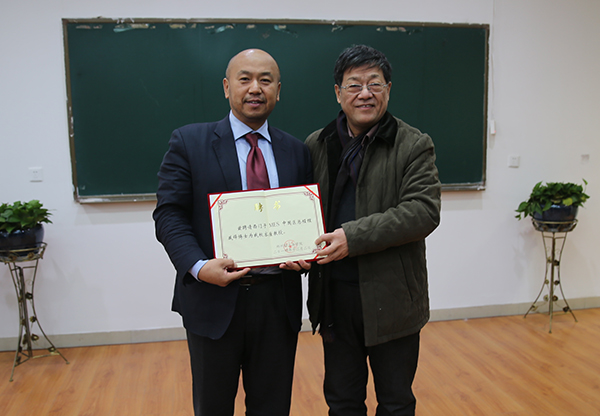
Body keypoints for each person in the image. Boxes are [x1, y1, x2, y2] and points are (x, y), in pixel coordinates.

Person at [153, 49, 312, 416]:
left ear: (278, 91)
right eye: (245, 79)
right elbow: (169, 215)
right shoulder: (189, 142)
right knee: (213, 407)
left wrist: (305, 256)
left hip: (277, 303)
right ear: (227, 87)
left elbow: (303, 220)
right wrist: (198, 266)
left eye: (265, 80)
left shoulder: (297, 151)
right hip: (213, 300)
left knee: (272, 408)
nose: (255, 88)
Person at [305, 44, 441, 415]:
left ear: (388, 89)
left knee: (395, 403)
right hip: (334, 298)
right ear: (338, 92)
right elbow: (300, 211)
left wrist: (353, 237)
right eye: (354, 85)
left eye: (374, 83)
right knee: (342, 401)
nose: (365, 93)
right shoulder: (317, 145)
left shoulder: (413, 144)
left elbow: (423, 211)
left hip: (392, 298)